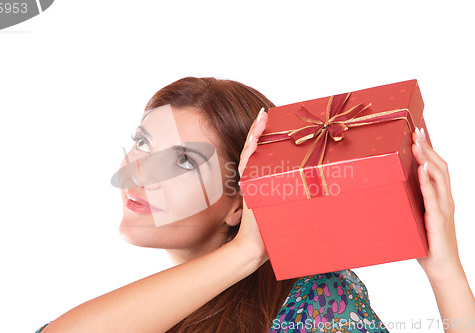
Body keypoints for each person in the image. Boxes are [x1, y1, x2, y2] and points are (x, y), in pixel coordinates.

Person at [36, 77, 475, 333]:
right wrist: (244, 253)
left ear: (237, 205)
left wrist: (446, 273)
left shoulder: (313, 301)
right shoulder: (144, 313)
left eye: (185, 160)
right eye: (142, 143)